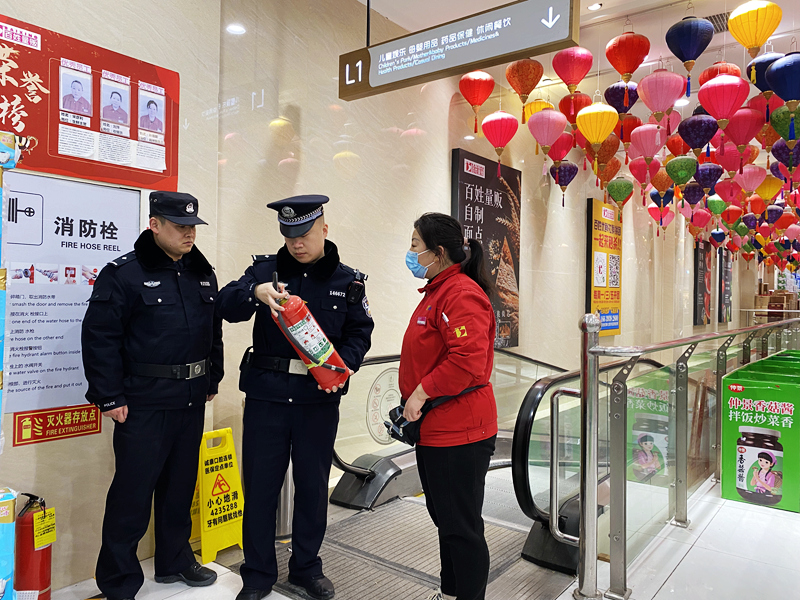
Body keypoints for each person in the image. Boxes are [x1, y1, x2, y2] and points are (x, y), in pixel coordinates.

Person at [217, 195, 373, 600]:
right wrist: (255, 291)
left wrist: (342, 368)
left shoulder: (348, 281)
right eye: (288, 236)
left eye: (303, 234)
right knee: (261, 488)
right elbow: (225, 304)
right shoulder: (265, 271)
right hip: (267, 396)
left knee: (312, 487)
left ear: (324, 228)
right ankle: (257, 575)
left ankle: (305, 567)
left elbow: (360, 333)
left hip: (316, 400)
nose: (296, 243)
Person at [81, 191, 224, 600]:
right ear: (154, 224)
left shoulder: (201, 272)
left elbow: (210, 330)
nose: (189, 234)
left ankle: (175, 562)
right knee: (132, 492)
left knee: (180, 487)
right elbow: (100, 337)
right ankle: (119, 580)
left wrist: (212, 377)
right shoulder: (124, 273)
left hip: (191, 399)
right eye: (180, 226)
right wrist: (109, 396)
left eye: (193, 227)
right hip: (142, 401)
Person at [399, 212, 498, 600]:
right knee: (447, 521)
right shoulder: (438, 292)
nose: (409, 253)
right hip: (437, 430)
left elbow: (467, 361)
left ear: (437, 253)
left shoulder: (460, 294)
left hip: (461, 432)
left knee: (462, 527)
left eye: (414, 246)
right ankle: (451, 591)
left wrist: (421, 392)